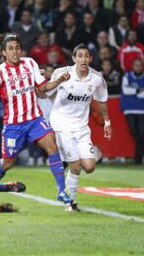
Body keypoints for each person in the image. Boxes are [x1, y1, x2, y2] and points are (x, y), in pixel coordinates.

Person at [0, 33, 72, 206]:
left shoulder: (30, 63)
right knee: (8, 162)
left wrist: (59, 79)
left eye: (17, 48)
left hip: (34, 119)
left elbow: (43, 87)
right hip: (14, 126)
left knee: (52, 145)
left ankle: (61, 191)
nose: (15, 52)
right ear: (3, 53)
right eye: (11, 49)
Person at [46, 44, 112, 210]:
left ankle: (68, 161)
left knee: (89, 167)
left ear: (90, 59)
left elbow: (102, 101)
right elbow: (46, 92)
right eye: (80, 56)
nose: (83, 59)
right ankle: (70, 201)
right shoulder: (62, 73)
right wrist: (53, 81)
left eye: (86, 56)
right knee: (75, 166)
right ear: (74, 58)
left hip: (82, 127)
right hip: (62, 125)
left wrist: (107, 122)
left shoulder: (97, 78)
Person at [120, 58, 144, 164]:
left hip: (142, 109)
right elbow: (125, 90)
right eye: (136, 65)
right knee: (135, 134)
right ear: (132, 66)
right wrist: (137, 90)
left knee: (141, 134)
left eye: (140, 65)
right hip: (129, 109)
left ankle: (138, 159)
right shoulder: (127, 76)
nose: (138, 67)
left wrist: (133, 92)